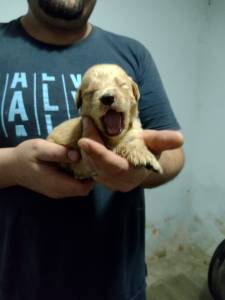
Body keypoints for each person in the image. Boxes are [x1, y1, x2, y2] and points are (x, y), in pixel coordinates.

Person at [0, 0, 184, 299]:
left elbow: (174, 152)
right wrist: (12, 166)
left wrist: (137, 174)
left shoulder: (132, 53)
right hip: (18, 280)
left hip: (117, 283)